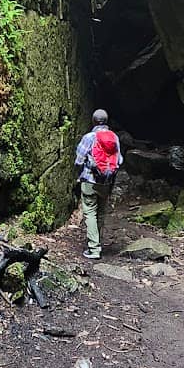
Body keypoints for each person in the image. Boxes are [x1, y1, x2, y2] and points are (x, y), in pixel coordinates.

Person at [74, 109, 121, 261]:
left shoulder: (89, 137)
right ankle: (98, 242)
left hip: (90, 181)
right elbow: (119, 161)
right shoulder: (114, 137)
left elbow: (79, 160)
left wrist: (80, 172)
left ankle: (94, 249)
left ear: (93, 121)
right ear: (106, 122)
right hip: (106, 182)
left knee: (90, 213)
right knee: (101, 212)